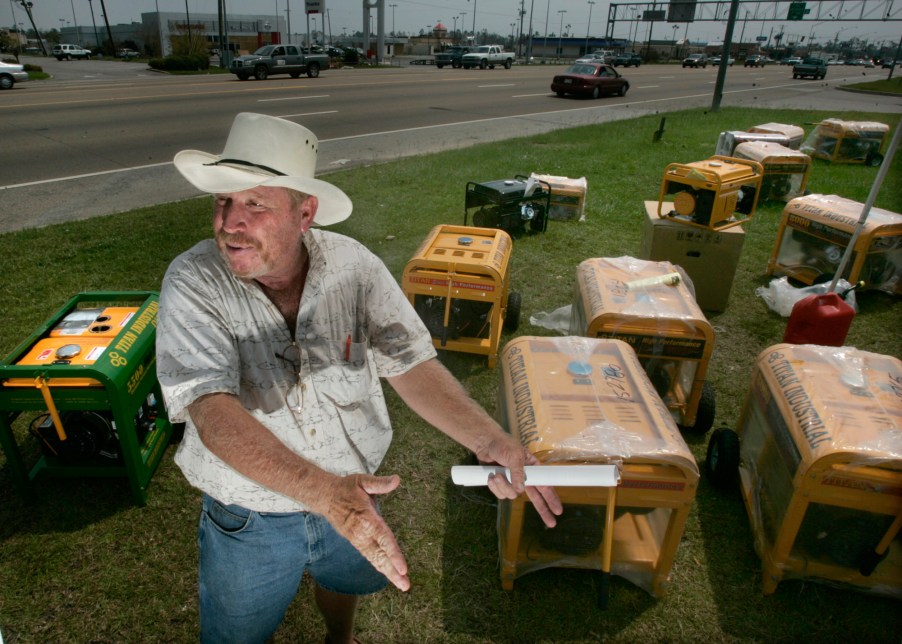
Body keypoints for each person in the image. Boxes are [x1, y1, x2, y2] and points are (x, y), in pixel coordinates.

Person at [156, 112, 562, 644]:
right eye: (224, 201)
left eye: (255, 204)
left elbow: (412, 362)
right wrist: (327, 496)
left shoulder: (354, 267)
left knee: (342, 582)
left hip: (354, 491)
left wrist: (492, 442)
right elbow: (211, 410)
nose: (230, 222)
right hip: (248, 514)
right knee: (235, 634)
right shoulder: (192, 281)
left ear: (306, 213)